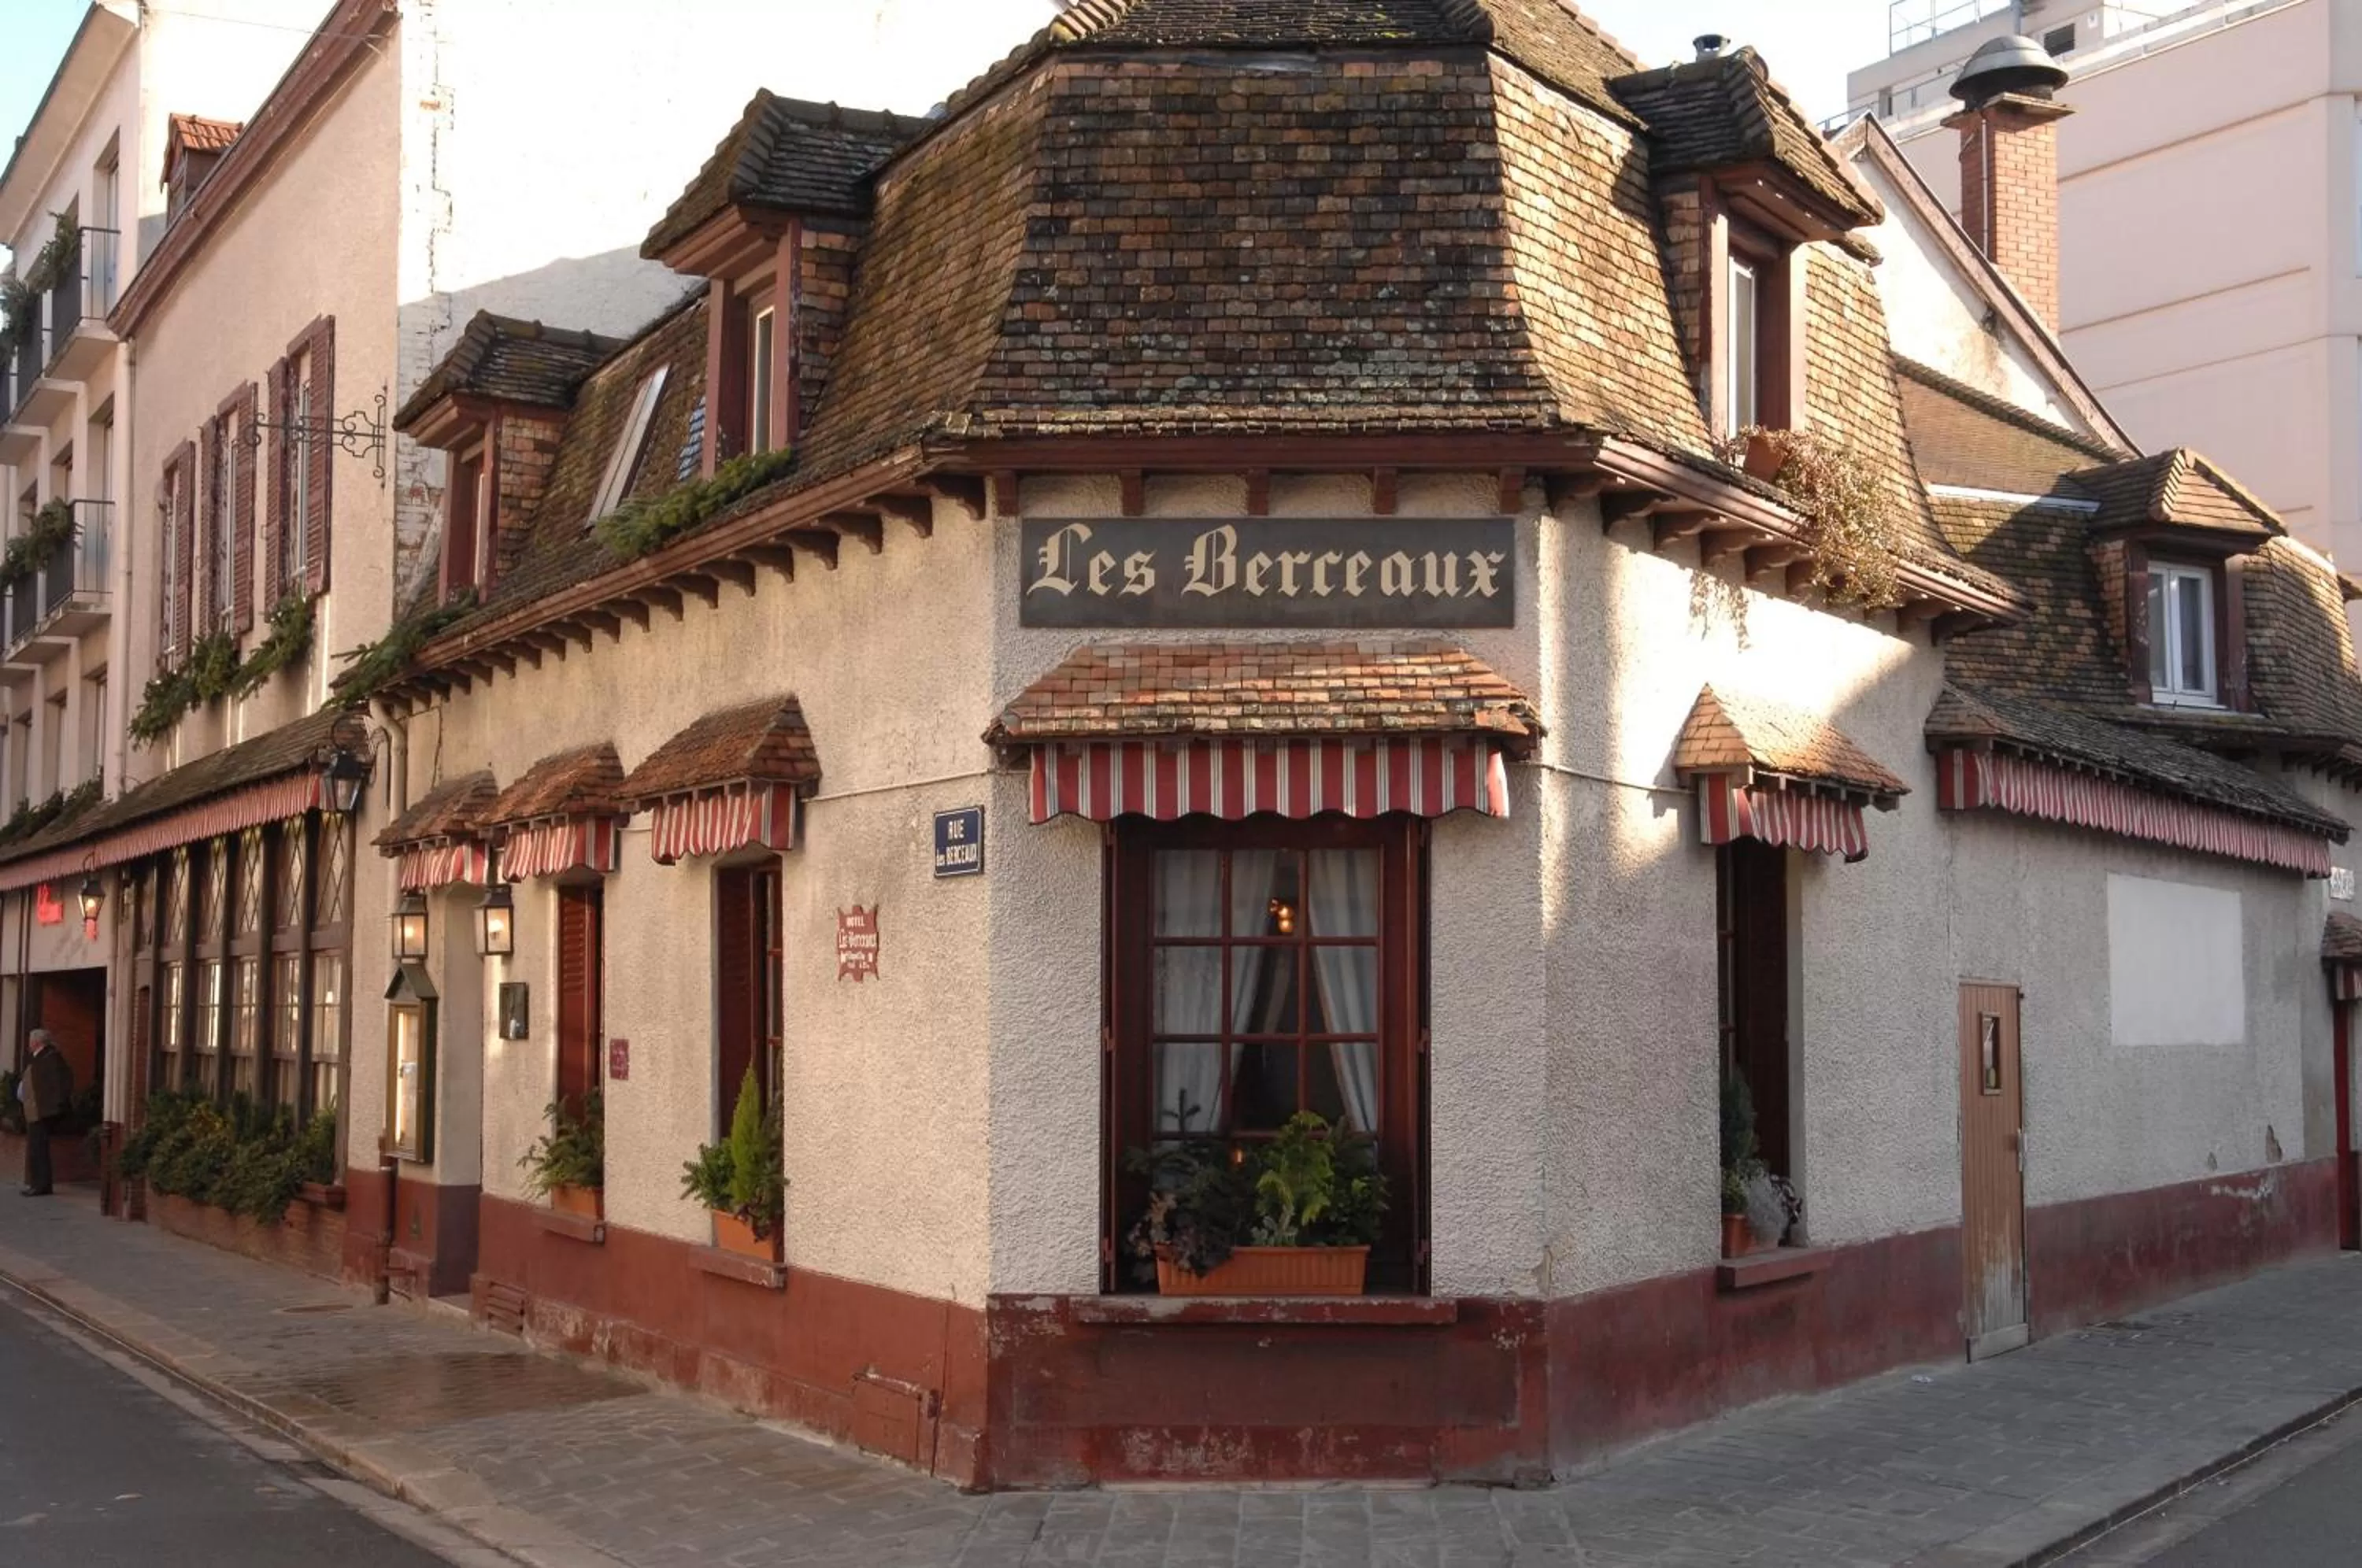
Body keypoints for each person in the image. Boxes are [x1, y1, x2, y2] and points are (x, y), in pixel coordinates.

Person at [18, 1028, 71, 1197]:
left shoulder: (49, 1058)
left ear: (36, 1042)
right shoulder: (40, 1057)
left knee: (38, 1149)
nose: (29, 1044)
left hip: (41, 1112)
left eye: (30, 1040)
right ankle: (39, 1184)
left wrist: (53, 1107)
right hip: (35, 1111)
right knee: (36, 1149)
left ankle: (40, 1185)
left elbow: (58, 1085)